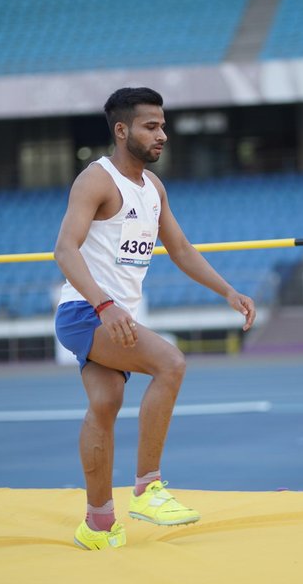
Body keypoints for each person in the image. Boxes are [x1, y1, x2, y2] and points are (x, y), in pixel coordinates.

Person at [53, 87, 256, 551]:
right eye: (151, 126)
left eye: (163, 125)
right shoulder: (97, 180)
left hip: (112, 316)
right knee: (171, 363)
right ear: (122, 130)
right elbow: (65, 249)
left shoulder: (153, 188)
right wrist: (104, 305)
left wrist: (228, 291)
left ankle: (98, 524)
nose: (162, 134)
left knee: (105, 404)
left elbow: (180, 249)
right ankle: (148, 487)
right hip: (86, 312)